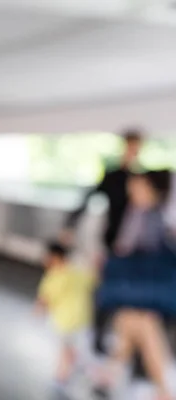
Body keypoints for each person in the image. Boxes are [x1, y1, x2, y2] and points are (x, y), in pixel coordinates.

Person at [61, 129, 143, 356]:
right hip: (111, 242)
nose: (132, 152)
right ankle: (98, 334)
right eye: (130, 147)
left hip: (131, 245)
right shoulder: (113, 175)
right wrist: (69, 224)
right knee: (104, 288)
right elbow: (89, 197)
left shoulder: (140, 178)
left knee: (123, 292)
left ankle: (115, 334)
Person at [95, 170, 175, 399]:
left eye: (138, 187)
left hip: (141, 289)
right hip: (138, 289)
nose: (133, 191)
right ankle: (110, 374)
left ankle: (162, 390)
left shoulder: (156, 217)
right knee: (130, 328)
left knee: (140, 328)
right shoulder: (140, 213)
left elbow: (134, 251)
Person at [35, 242, 96, 393]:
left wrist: (38, 310)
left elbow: (44, 301)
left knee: (65, 351)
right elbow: (93, 281)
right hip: (82, 319)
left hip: (63, 321)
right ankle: (70, 377)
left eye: (47, 256)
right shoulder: (77, 271)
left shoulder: (53, 276)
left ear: (54, 256)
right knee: (73, 351)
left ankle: (60, 381)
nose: (44, 260)